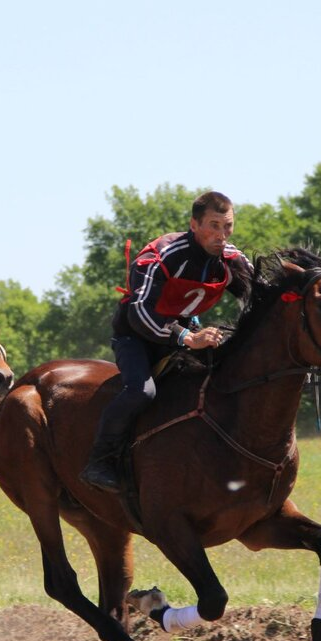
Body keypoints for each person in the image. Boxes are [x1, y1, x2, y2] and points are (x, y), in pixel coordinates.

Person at [78, 191, 254, 492]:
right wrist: (188, 338)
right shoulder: (161, 255)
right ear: (194, 224)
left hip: (183, 336)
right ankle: (99, 461)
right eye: (214, 225)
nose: (221, 236)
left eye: (227, 226)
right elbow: (139, 314)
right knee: (142, 392)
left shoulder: (230, 259)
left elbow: (259, 296)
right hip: (136, 336)